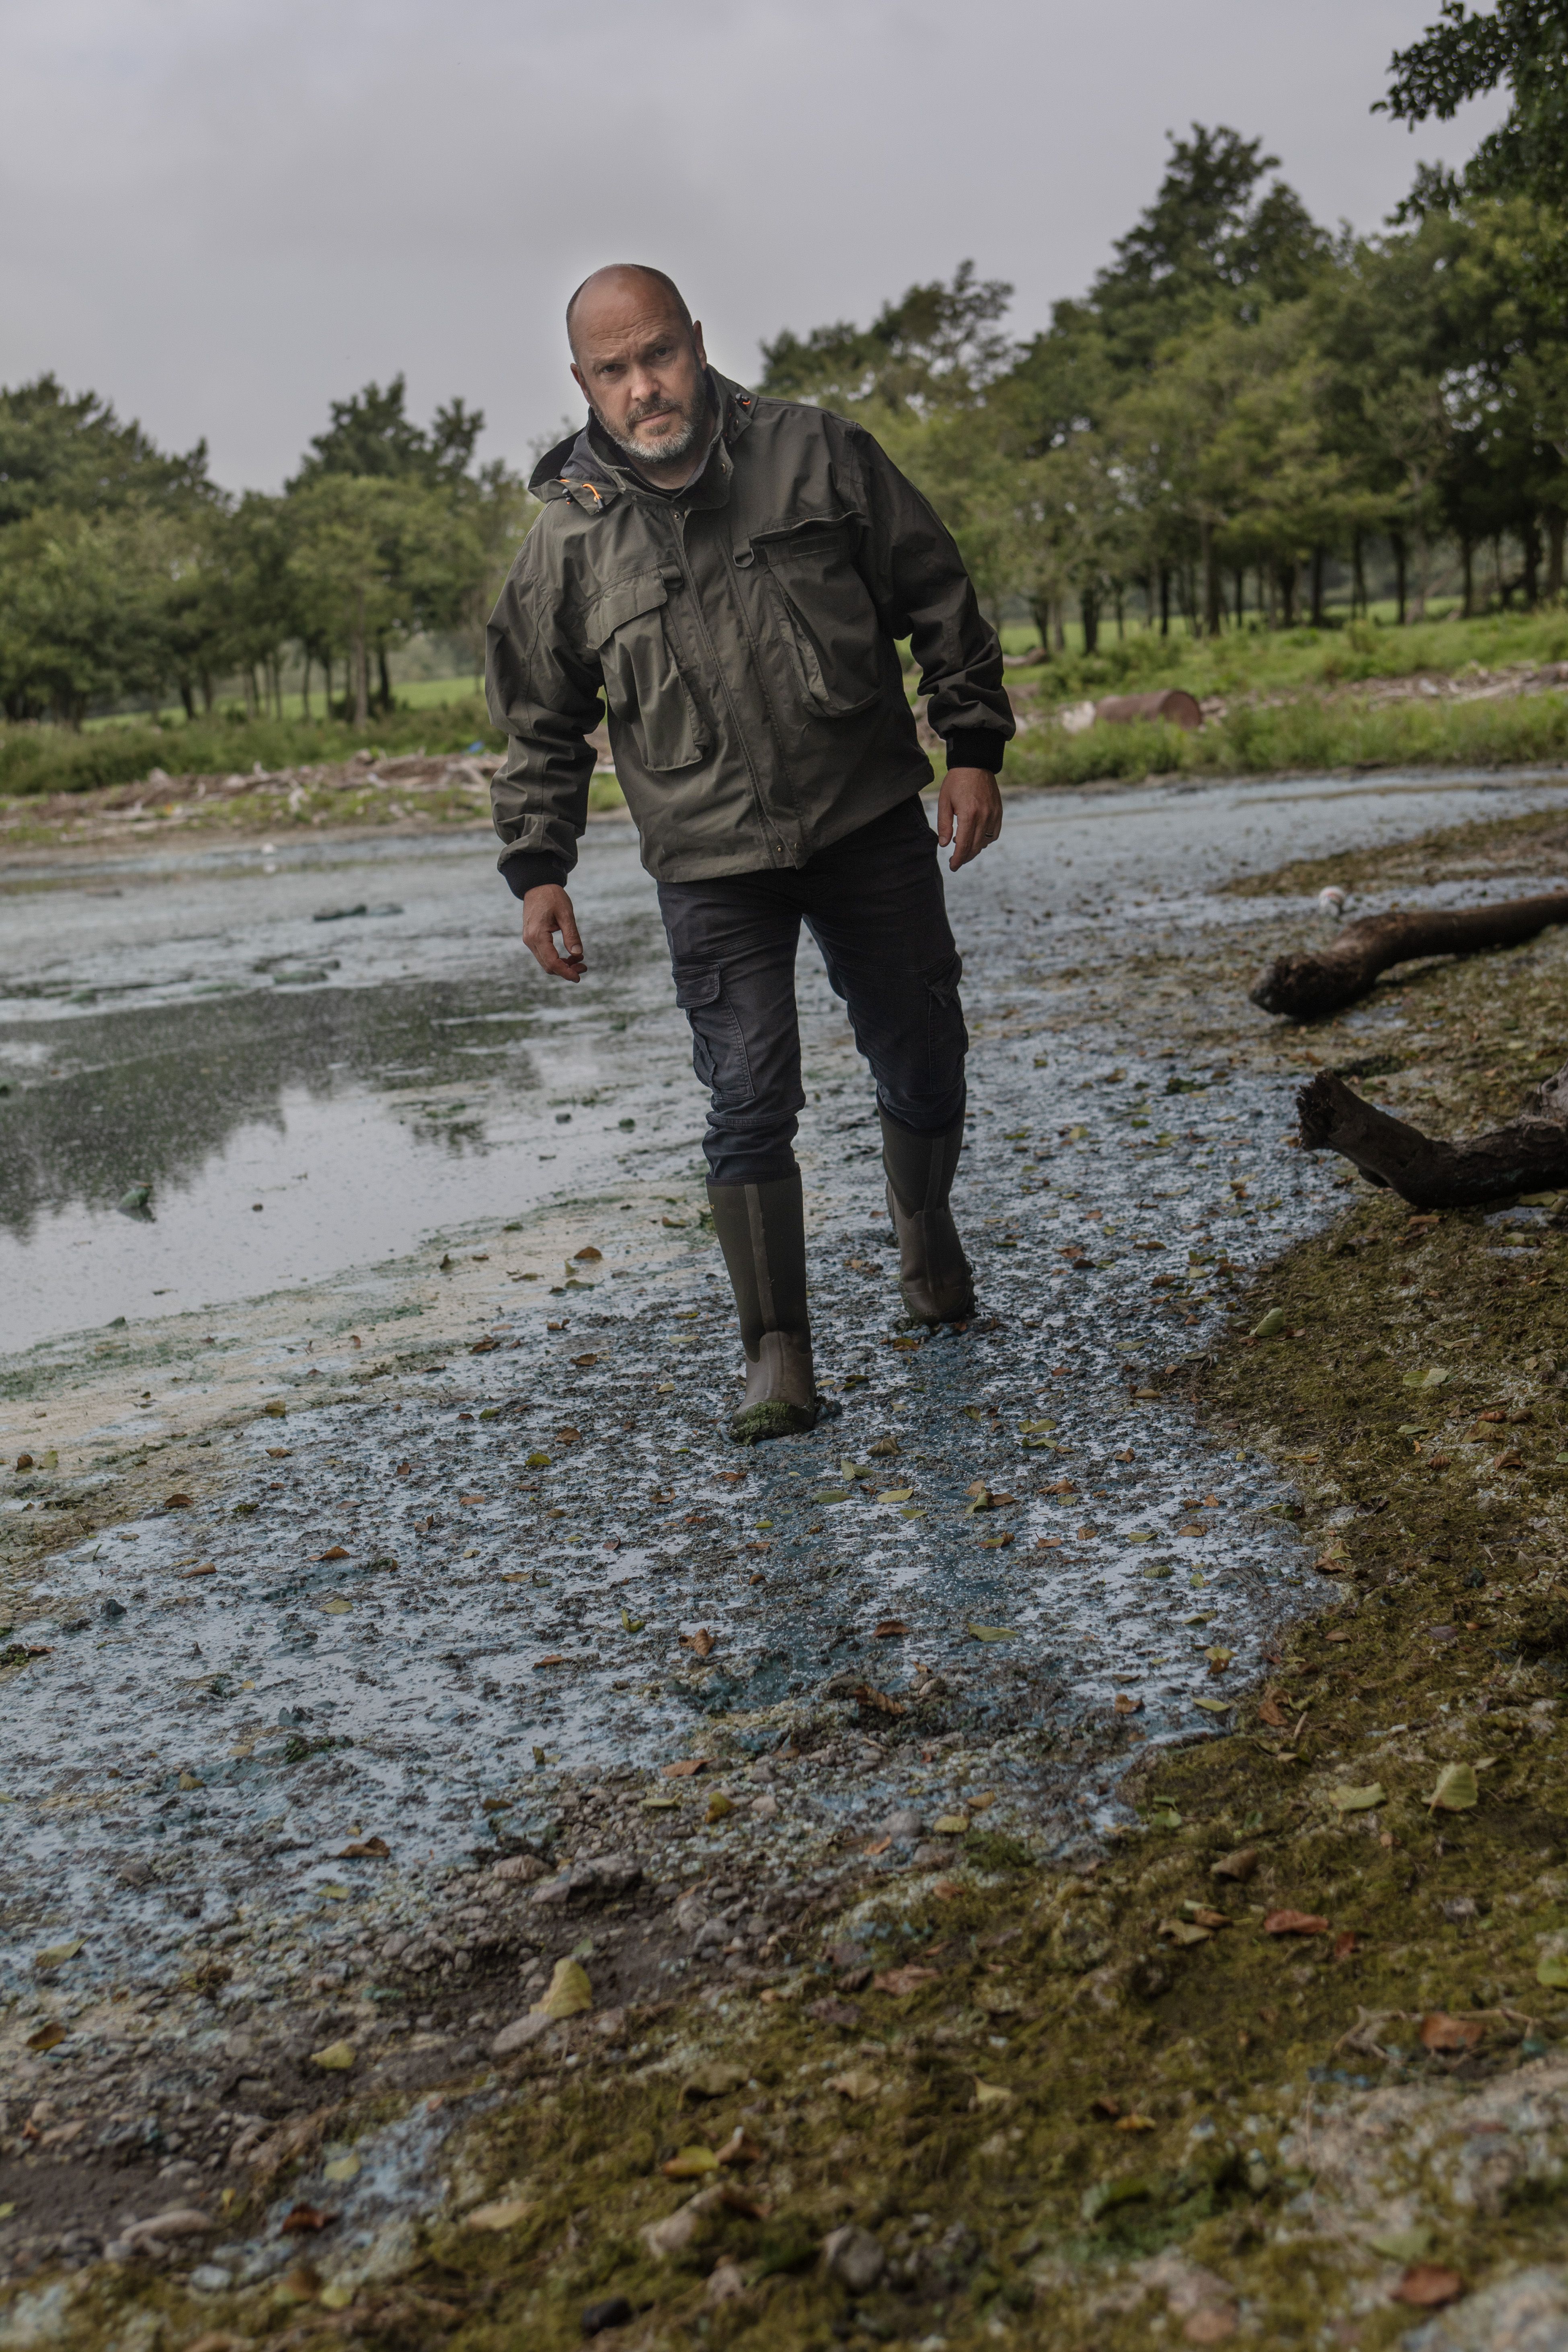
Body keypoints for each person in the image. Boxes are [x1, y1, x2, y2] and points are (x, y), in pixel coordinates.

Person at [486, 263, 1013, 1443]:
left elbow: (938, 595)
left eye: (658, 354)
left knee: (924, 1051)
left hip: (867, 817)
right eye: (614, 370)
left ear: (697, 343)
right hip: (707, 861)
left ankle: (923, 1227)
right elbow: (539, 722)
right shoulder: (564, 545)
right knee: (743, 1099)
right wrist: (540, 868)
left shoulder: (819, 454)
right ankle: (776, 1349)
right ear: (583, 383)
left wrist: (970, 743)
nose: (643, 386)